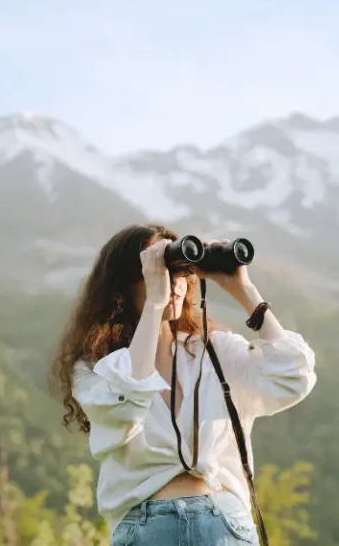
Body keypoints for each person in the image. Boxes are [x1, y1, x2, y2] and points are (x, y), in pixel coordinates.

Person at [51, 224, 317, 545]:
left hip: (225, 526)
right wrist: (154, 304)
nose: (175, 282)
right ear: (124, 283)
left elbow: (293, 375)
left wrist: (243, 290)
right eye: (162, 270)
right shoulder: (95, 370)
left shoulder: (213, 352)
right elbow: (126, 406)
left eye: (179, 271)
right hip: (146, 530)